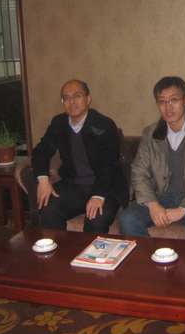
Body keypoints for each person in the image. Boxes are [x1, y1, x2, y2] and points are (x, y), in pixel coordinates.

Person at [119, 76, 185, 240]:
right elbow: (139, 172)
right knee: (128, 219)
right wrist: (153, 204)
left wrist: (182, 209)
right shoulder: (150, 134)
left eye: (174, 100)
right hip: (161, 195)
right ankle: (151, 256)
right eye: (162, 102)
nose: (168, 107)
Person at [31, 80, 127, 232]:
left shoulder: (104, 125)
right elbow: (40, 151)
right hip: (74, 186)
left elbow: (109, 166)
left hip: (106, 187)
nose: (72, 102)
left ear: (88, 99)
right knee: (48, 208)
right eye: (66, 98)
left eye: (77, 96)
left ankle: (90, 249)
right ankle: (59, 247)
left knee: (96, 218)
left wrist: (98, 196)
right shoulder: (59, 123)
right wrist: (43, 179)